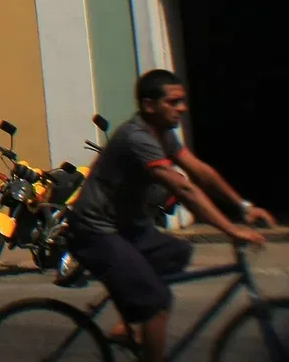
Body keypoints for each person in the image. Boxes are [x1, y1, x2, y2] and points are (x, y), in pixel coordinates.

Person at [69, 69, 275, 361]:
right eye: (174, 102)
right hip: (96, 230)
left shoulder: (164, 134)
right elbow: (184, 187)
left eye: (183, 101)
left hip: (127, 228)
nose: (183, 108)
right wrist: (232, 229)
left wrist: (243, 206)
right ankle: (143, 318)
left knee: (175, 253)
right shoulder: (137, 137)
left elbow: (200, 171)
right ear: (150, 105)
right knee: (156, 300)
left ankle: (126, 326)